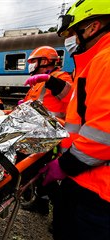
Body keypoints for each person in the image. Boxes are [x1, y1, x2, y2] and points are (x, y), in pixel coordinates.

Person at [41, 1, 110, 239]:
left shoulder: (106, 60)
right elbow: (84, 105)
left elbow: (104, 133)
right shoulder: (96, 61)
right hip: (87, 180)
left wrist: (64, 165)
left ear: (92, 27)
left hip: (97, 190)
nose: (71, 40)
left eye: (73, 33)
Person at [22, 46, 73, 119]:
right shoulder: (39, 81)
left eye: (33, 61)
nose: (30, 65)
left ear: (44, 61)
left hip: (54, 126)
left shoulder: (61, 76)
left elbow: (71, 96)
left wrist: (50, 80)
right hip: (37, 124)